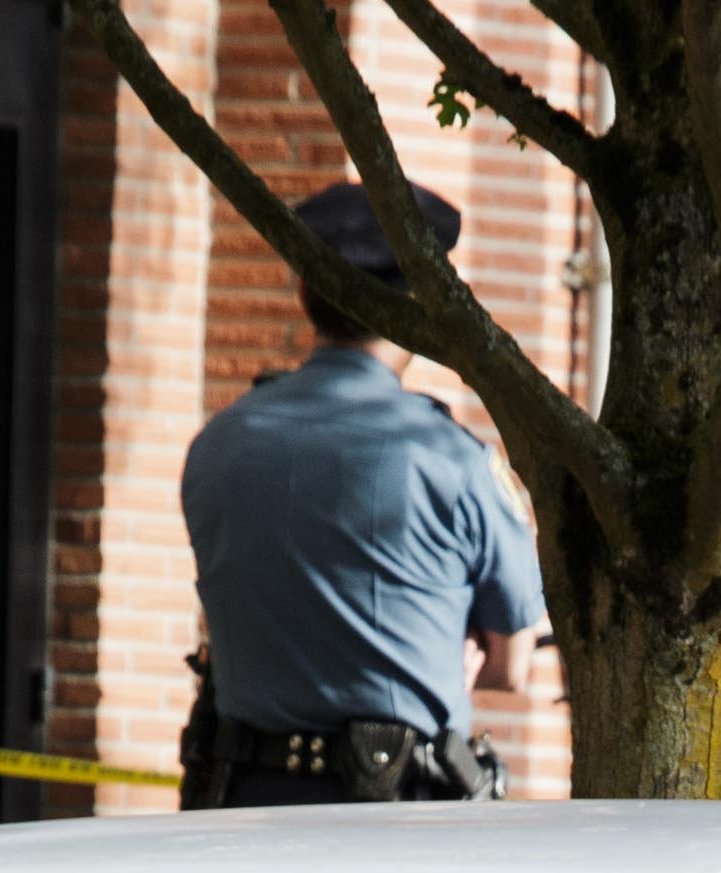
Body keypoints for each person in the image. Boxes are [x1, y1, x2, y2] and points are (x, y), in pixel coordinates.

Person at [178, 180, 544, 808]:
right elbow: (512, 666)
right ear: (421, 304)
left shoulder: (219, 444)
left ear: (304, 292)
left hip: (242, 809)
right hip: (397, 819)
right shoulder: (451, 462)